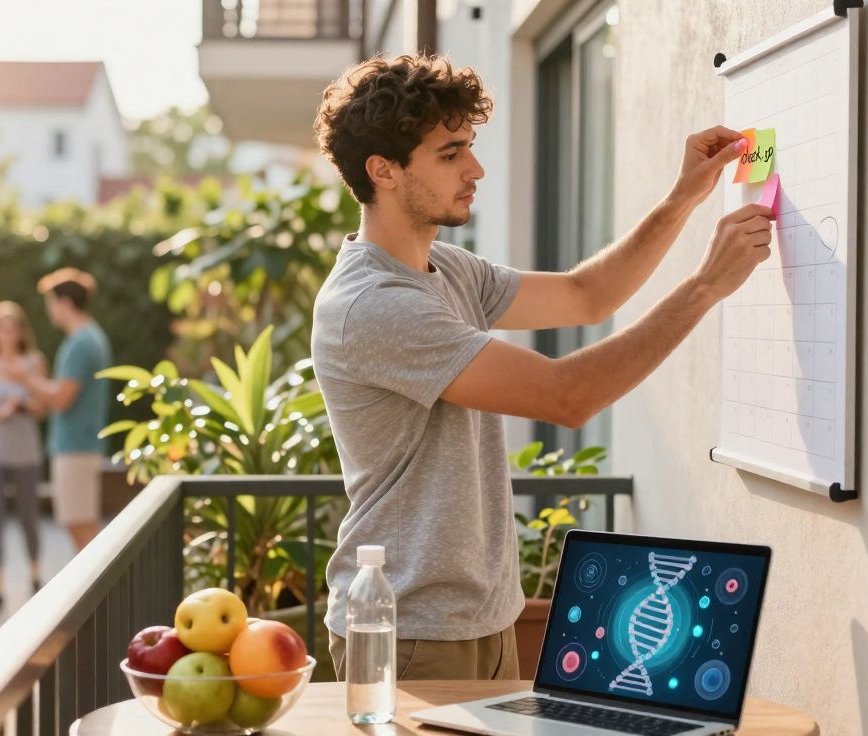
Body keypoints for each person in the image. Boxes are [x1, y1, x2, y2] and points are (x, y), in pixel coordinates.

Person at [311, 55, 773, 681]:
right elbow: (568, 395)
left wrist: (684, 197)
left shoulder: (448, 269)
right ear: (383, 171)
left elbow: (588, 295)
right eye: (450, 155)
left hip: (486, 620)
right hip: (411, 629)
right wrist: (705, 287)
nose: (476, 169)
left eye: (469, 147)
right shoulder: (373, 305)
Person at [4, 268, 111, 552]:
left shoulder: (82, 342)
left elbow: (62, 398)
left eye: (51, 303)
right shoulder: (87, 338)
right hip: (78, 445)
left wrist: (25, 377)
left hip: (76, 447)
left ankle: (100, 594)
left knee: (79, 523)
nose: (49, 311)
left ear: (64, 303)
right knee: (78, 521)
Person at [0, 301, 48, 611]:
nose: (8, 333)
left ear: (21, 331)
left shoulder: (34, 362)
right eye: (2, 328)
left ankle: (34, 574)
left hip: (26, 452)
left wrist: (24, 405)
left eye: (13, 327)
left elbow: (44, 406)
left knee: (29, 517)